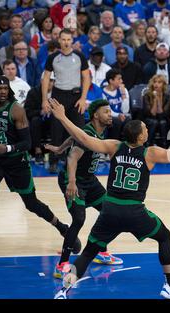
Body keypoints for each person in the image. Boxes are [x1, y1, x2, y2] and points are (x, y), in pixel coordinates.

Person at [50, 99, 170, 300]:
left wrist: (63, 117)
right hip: (135, 212)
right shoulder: (149, 153)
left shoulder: (114, 146)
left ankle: (63, 292)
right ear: (141, 136)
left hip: (109, 211)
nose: (147, 131)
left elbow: (82, 137)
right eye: (145, 129)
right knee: (164, 236)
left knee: (89, 253)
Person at [0, 75, 81, 254]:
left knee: (31, 204)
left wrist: (7, 148)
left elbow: (27, 143)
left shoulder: (16, 110)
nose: (2, 92)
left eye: (5, 89)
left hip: (16, 162)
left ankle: (62, 228)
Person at [45, 100, 124, 279]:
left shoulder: (97, 130)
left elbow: (74, 137)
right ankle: (62, 264)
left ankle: (101, 252)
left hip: (89, 180)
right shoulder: (89, 131)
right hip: (73, 180)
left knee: (108, 212)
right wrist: (71, 182)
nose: (109, 114)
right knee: (79, 218)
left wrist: (59, 148)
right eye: (106, 112)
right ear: (96, 115)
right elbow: (73, 157)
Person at [41, 28, 91, 174]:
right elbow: (45, 78)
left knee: (79, 130)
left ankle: (81, 161)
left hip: (76, 96)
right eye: (63, 39)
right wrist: (45, 100)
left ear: (72, 40)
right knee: (56, 130)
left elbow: (86, 78)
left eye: (69, 39)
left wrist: (83, 98)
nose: (66, 42)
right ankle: (54, 161)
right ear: (59, 40)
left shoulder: (80, 56)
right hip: (58, 95)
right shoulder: (53, 57)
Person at [102, 68, 131, 141]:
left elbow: (125, 110)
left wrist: (123, 94)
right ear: (111, 81)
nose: (122, 81)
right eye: (119, 79)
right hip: (109, 116)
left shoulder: (123, 90)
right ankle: (113, 145)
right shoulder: (103, 93)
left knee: (128, 119)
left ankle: (125, 145)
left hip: (122, 116)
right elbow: (107, 110)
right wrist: (118, 115)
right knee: (116, 122)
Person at [142, 74, 170, 148]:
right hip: (149, 119)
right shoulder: (147, 96)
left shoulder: (167, 96)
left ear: (163, 84)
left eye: (159, 82)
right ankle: (148, 146)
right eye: (155, 82)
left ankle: (164, 146)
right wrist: (155, 100)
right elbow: (152, 114)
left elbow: (162, 114)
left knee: (163, 122)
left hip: (162, 119)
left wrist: (159, 100)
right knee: (154, 122)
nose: (156, 84)